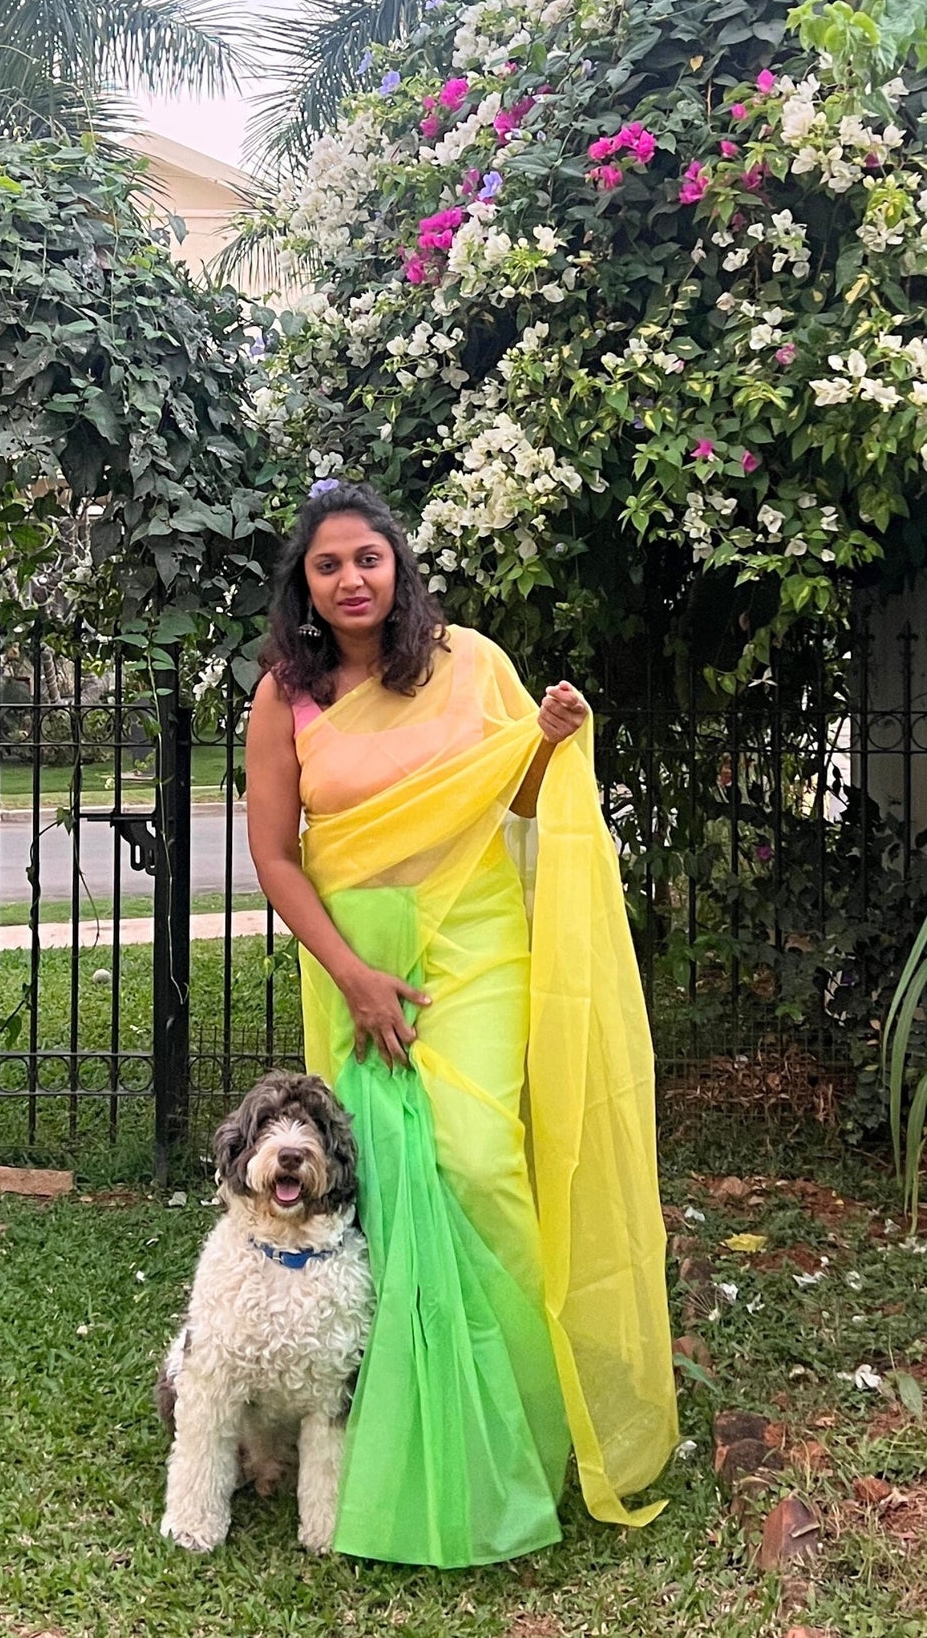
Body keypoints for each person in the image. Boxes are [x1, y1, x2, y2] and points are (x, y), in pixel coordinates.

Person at [246, 477, 678, 1569]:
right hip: (357, 958)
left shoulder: (469, 663)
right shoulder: (283, 695)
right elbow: (274, 855)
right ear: (302, 584)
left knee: (480, 1161)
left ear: (398, 565)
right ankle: (393, 1446)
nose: (350, 578)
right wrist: (349, 972)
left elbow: (518, 804)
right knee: (382, 1185)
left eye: (367, 557)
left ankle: (523, 1435)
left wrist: (545, 737)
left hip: (474, 940)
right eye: (327, 564)